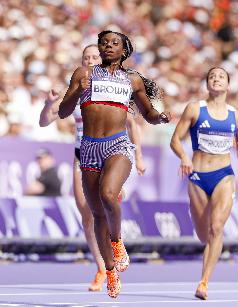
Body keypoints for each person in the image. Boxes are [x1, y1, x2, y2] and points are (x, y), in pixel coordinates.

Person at [57, 30, 170, 298]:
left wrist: (161, 117)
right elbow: (63, 111)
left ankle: (118, 243)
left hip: (117, 145)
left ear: (124, 50)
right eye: (104, 43)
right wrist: (77, 93)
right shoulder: (83, 75)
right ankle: (110, 270)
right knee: (97, 215)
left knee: (109, 194)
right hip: (89, 148)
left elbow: (148, 113)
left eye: (114, 43)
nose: (108, 46)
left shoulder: (132, 81)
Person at [39, 44, 146, 292]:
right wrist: (48, 104)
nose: (89, 60)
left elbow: (132, 124)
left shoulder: (112, 88)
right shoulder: (76, 89)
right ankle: (103, 268)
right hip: (82, 155)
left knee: (107, 202)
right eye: (86, 57)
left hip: (110, 153)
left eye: (94, 57)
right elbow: (45, 121)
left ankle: (116, 246)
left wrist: (138, 155)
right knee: (87, 215)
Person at [170, 67, 238, 300]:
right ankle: (207, 249)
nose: (216, 79)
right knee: (204, 235)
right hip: (197, 176)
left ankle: (204, 282)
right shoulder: (195, 109)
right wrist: (184, 156)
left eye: (221, 77)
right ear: (207, 85)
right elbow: (175, 140)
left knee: (217, 228)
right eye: (212, 77)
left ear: (228, 85)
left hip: (224, 175)